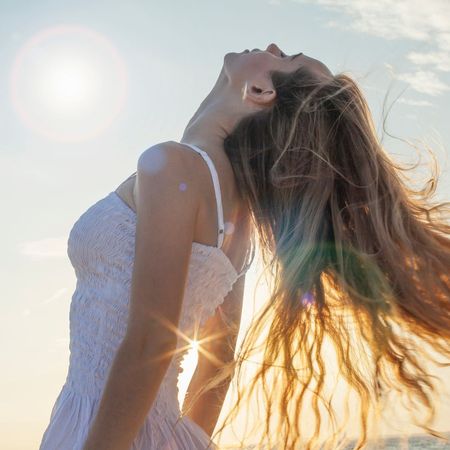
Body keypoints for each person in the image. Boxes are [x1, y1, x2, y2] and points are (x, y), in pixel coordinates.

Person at [39, 42, 450, 450]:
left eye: (285, 58)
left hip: (99, 432)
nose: (272, 46)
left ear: (260, 93)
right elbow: (219, 357)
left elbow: (152, 341)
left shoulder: (173, 165)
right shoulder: (237, 215)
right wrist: (186, 442)